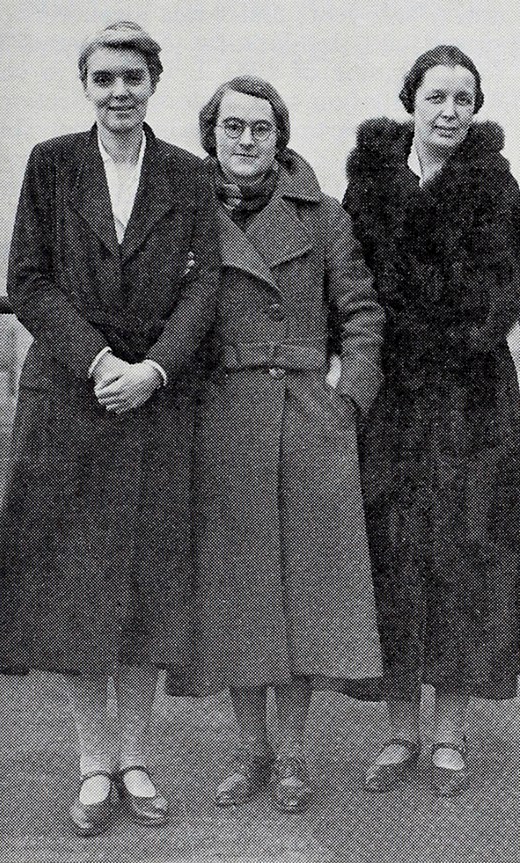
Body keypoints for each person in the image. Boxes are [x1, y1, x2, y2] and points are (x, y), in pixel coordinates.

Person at [0, 21, 220, 835]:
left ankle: (138, 758)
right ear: (87, 86)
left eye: (134, 78)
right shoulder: (52, 164)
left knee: (144, 588)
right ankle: (93, 766)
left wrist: (153, 370)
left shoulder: (185, 173)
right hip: (72, 404)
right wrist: (102, 362)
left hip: (154, 402)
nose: (120, 92)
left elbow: (205, 285)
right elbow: (28, 280)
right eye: (105, 78)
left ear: (154, 83)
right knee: (78, 590)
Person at [172, 76, 385, 812]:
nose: (246, 141)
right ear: (212, 136)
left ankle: (292, 754)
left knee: (303, 595)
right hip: (224, 421)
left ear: (279, 137)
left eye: (261, 128)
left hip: (307, 421)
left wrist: (349, 393)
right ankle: (250, 750)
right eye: (233, 127)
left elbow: (361, 312)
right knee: (240, 597)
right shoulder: (185, 214)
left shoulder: (323, 216)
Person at [343, 45, 520, 796]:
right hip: (391, 397)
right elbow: (347, 285)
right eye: (436, 97)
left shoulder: (499, 190)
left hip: (472, 397)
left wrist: (446, 334)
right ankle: (398, 733)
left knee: (469, 555)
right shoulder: (370, 187)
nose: (449, 112)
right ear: (410, 102)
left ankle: (449, 733)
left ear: (476, 110)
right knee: (390, 548)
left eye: (463, 99)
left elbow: (501, 294)